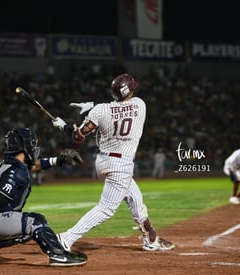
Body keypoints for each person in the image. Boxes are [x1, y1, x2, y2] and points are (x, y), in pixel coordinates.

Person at [52, 73, 175, 252]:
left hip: (103, 162)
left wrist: (64, 126)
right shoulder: (140, 105)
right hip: (121, 164)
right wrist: (92, 107)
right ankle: (66, 238)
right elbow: (120, 108)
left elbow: (78, 136)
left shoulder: (100, 110)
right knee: (106, 209)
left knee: (135, 198)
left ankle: (151, 238)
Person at [0, 128, 87, 267]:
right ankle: (58, 255)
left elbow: (34, 166)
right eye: (31, 143)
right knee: (35, 221)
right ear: (23, 146)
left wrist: (58, 160)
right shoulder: (15, 171)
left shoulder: (13, 164)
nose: (34, 147)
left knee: (25, 231)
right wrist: (12, 216)